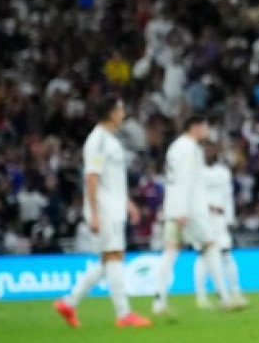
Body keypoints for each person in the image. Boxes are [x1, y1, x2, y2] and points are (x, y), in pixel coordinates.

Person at [54, 98, 153, 328]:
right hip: (105, 209)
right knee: (114, 256)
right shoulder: (97, 140)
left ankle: (69, 303)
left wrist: (128, 203)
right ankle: (124, 314)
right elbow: (92, 177)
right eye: (119, 109)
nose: (122, 113)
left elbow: (113, 180)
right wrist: (95, 213)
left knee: (110, 259)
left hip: (114, 207)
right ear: (110, 113)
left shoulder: (110, 140)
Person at [152, 116, 238, 315]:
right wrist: (182, 210)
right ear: (195, 127)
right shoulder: (188, 148)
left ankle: (159, 301)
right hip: (189, 211)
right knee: (210, 246)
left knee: (171, 251)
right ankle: (224, 297)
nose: (207, 131)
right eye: (205, 127)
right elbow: (184, 179)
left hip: (175, 207)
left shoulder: (177, 147)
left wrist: (175, 209)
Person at [194, 141, 247, 308]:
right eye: (206, 150)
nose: (209, 153)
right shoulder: (196, 173)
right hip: (203, 219)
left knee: (226, 254)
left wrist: (229, 219)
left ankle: (236, 291)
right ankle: (201, 296)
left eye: (211, 150)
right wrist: (206, 207)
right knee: (204, 256)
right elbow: (193, 195)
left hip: (220, 220)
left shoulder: (223, 172)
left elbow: (227, 196)